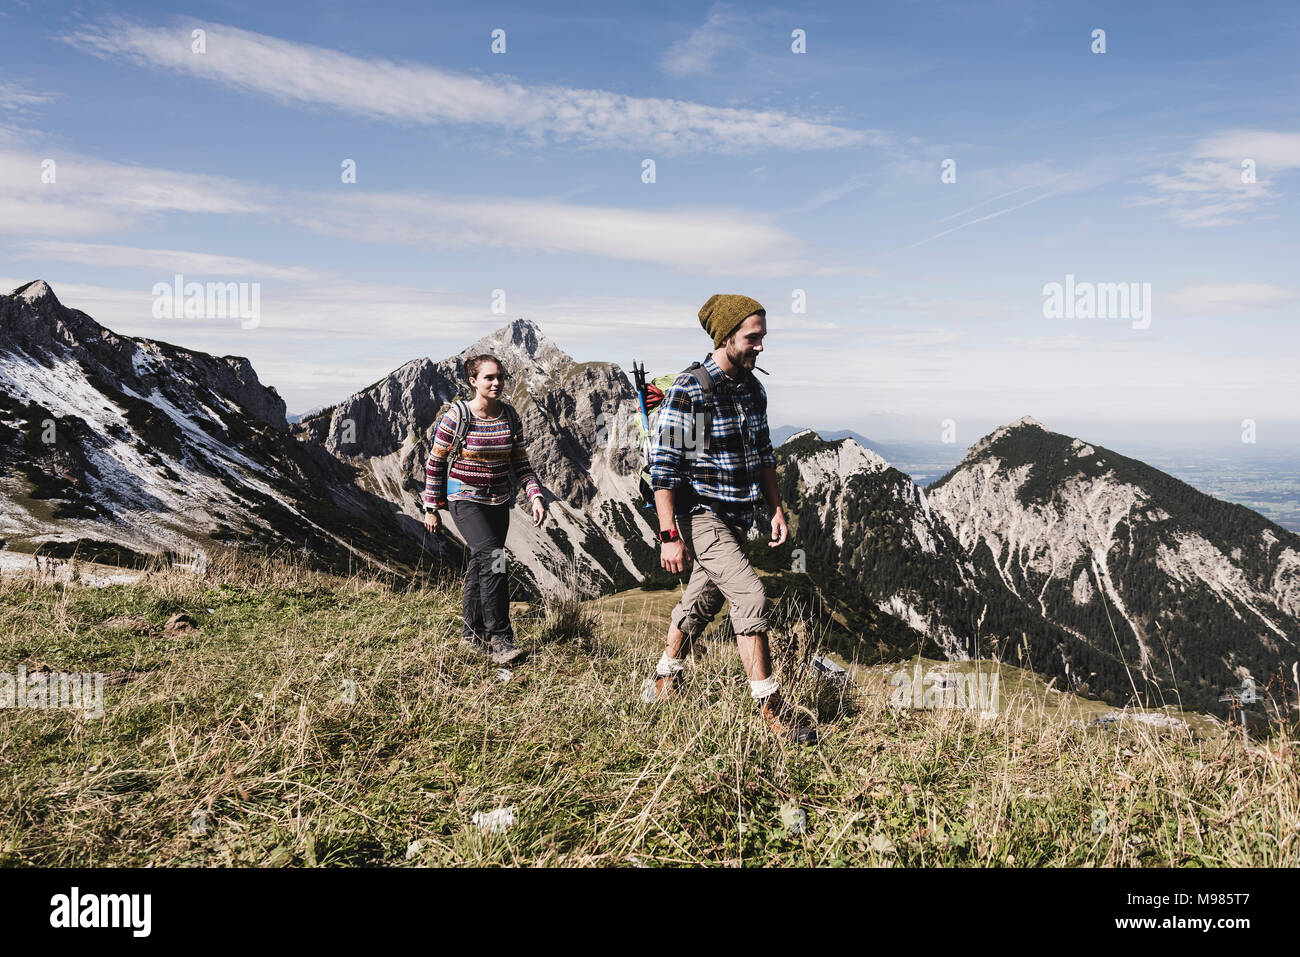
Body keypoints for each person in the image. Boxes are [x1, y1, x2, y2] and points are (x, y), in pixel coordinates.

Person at [647, 294, 817, 744]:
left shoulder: (751, 388)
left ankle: (665, 680)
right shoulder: (692, 390)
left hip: (738, 516)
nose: (760, 346)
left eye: (762, 337)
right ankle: (770, 712)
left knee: (702, 601)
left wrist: (776, 508)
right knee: (751, 595)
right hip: (701, 513)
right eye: (752, 338)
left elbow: (764, 455)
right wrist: (669, 535)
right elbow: (665, 469)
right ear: (725, 337)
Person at [423, 354, 546, 665]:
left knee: (482, 565)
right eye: (489, 377)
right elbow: (435, 463)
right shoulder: (456, 417)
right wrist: (431, 508)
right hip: (463, 498)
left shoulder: (509, 416)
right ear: (473, 381)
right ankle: (502, 640)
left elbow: (521, 463)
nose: (496, 383)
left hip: (498, 501)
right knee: (494, 559)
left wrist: (535, 496)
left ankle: (470, 635)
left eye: (500, 377)